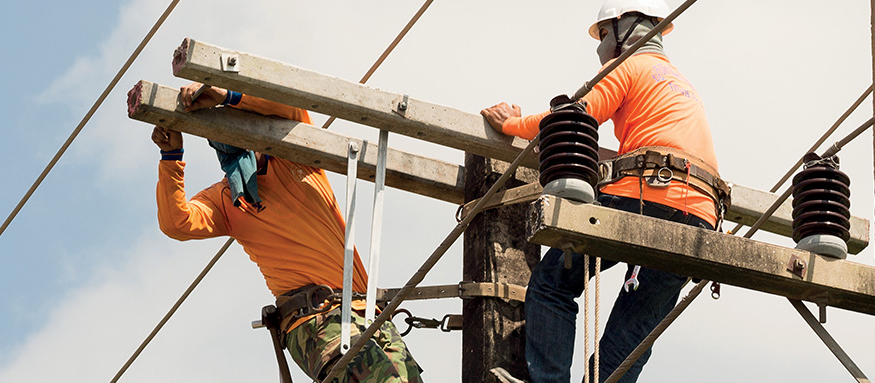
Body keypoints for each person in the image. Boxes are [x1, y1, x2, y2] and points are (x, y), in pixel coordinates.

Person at [480, 1, 726, 382]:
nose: (601, 45)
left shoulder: (629, 66)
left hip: (647, 195)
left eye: (604, 34)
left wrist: (511, 122)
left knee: (551, 286)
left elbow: (570, 119)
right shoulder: (682, 84)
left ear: (624, 32)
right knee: (630, 336)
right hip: (701, 219)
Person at [151, 82, 423, 383]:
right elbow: (177, 222)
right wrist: (171, 157)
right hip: (315, 319)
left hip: (371, 314)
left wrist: (226, 94)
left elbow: (289, 107)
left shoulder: (295, 154)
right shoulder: (227, 198)